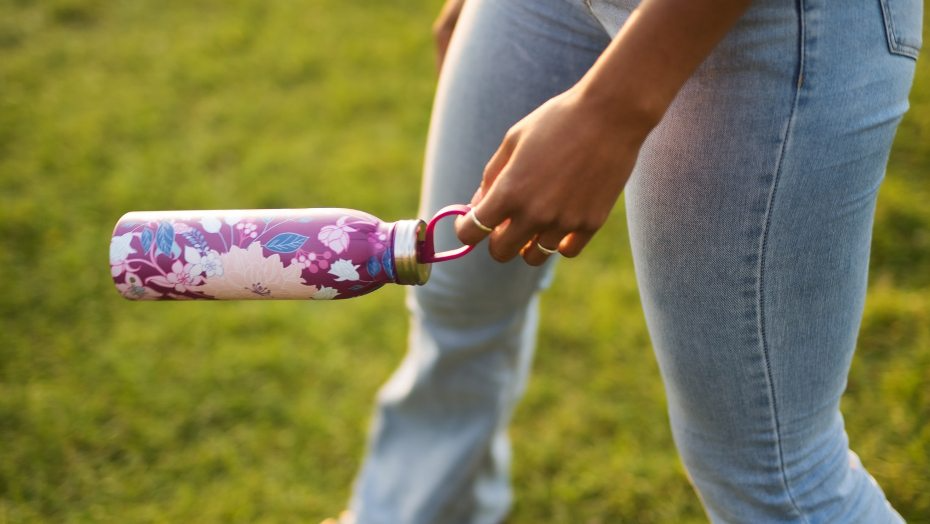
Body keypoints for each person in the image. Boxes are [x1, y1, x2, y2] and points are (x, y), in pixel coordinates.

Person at [330, 0, 922, 522]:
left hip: (762, 19)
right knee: (458, 300)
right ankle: (410, 510)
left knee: (771, 470)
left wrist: (612, 108)